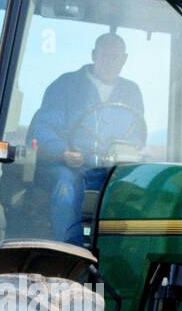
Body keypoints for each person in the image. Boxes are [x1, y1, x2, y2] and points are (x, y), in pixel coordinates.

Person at [26, 32, 146, 244]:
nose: (110, 62)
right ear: (93, 54)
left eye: (115, 57)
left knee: (140, 193)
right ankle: (70, 254)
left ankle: (117, 256)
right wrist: (63, 152)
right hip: (70, 167)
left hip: (110, 170)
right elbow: (42, 128)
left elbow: (136, 134)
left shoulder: (131, 92)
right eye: (105, 56)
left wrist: (132, 151)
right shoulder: (66, 85)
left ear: (124, 59)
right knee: (67, 189)